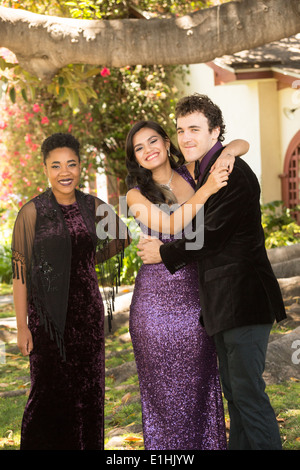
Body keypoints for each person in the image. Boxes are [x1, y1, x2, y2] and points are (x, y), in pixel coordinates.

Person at [137, 94, 287, 450]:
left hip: (245, 301)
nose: (186, 137)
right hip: (222, 307)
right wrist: (232, 148)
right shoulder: (205, 170)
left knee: (249, 398)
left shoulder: (229, 172)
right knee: (236, 398)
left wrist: (163, 252)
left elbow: (211, 235)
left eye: (195, 129)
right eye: (180, 130)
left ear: (214, 131)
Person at [125, 119, 249, 450]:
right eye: (139, 148)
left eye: (153, 141)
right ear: (136, 158)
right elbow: (169, 223)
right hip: (153, 306)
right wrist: (207, 189)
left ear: (168, 144)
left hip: (197, 300)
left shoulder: (191, 172)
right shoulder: (135, 195)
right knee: (163, 402)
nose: (148, 150)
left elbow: (240, 145)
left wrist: (229, 153)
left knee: (201, 392)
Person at [12, 132, 129, 450]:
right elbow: (20, 274)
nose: (65, 172)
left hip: (86, 317)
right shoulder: (31, 212)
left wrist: (86, 260)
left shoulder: (92, 205)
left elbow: (122, 236)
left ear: (80, 166)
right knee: (47, 395)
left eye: (71, 164)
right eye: (56, 165)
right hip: (46, 321)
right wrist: (22, 326)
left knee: (87, 393)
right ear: (45, 169)